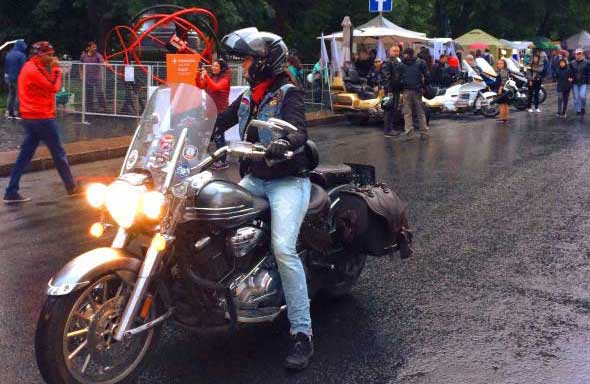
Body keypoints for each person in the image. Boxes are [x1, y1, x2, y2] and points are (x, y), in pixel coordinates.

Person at [215, 27, 313, 370]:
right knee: (212, 215)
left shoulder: (289, 92)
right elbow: (222, 118)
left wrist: (285, 142)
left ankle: (302, 334)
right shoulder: (248, 96)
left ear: (264, 61)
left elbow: (300, 129)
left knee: (284, 249)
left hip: (287, 181)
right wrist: (191, 131)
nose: (243, 64)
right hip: (256, 178)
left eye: (248, 58)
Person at [3, 42, 79, 203]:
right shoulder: (34, 70)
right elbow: (53, 87)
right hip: (41, 117)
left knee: (24, 155)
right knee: (58, 153)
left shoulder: (30, 67)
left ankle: (11, 190)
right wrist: (57, 69)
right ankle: (71, 187)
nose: (52, 58)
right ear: (40, 55)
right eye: (50, 55)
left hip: (30, 117)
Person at [196, 58, 232, 170]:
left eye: (216, 66)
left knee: (219, 137)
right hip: (210, 112)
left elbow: (216, 88)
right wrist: (198, 75)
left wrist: (206, 75)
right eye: (213, 66)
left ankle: (223, 161)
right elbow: (201, 86)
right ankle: (204, 157)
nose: (214, 68)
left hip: (221, 113)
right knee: (207, 135)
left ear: (221, 68)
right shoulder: (212, 77)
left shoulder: (225, 79)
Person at [399, 47, 430, 139]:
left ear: (406, 54)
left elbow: (398, 78)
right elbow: (427, 76)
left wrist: (401, 87)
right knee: (420, 112)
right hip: (418, 90)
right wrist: (424, 86)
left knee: (407, 113)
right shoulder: (421, 62)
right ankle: (424, 132)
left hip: (406, 90)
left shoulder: (401, 64)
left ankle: (409, 133)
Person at [382, 45, 403, 137]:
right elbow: (386, 77)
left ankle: (391, 128)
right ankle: (388, 130)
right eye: (394, 51)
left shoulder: (398, 61)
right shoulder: (387, 62)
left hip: (396, 89)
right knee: (389, 109)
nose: (396, 53)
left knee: (394, 109)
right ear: (390, 52)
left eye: (397, 51)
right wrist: (389, 90)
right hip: (391, 89)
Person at [80, 41, 106, 112]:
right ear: (88, 48)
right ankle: (89, 108)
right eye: (93, 47)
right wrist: (81, 75)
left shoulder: (98, 55)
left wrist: (105, 64)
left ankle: (103, 107)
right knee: (88, 93)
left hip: (97, 77)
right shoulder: (83, 56)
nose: (95, 48)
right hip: (87, 78)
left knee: (99, 92)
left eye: (95, 47)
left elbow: (102, 61)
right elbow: (80, 66)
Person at [4, 40, 27, 119]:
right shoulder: (22, 55)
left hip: (8, 77)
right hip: (18, 77)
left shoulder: (9, 54)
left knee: (11, 94)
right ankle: (17, 112)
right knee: (19, 95)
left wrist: (6, 75)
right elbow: (24, 68)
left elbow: (6, 66)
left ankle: (9, 112)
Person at [570, 48, 589, 116]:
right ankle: (578, 110)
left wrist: (588, 80)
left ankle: (583, 107)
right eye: (577, 54)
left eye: (580, 53)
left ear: (582, 54)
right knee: (576, 97)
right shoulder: (572, 63)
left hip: (583, 82)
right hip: (575, 82)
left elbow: (588, 72)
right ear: (575, 55)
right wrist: (570, 78)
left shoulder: (587, 62)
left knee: (582, 96)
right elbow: (570, 72)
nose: (578, 55)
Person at [494, 58, 511, 123]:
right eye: (498, 63)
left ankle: (502, 118)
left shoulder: (503, 71)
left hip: (502, 89)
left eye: (501, 63)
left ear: (504, 64)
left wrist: (500, 88)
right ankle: (505, 118)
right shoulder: (505, 70)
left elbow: (503, 81)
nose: (499, 65)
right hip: (506, 89)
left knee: (502, 104)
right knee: (505, 104)